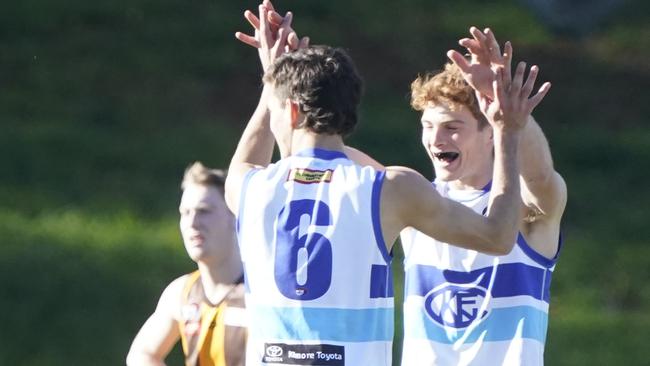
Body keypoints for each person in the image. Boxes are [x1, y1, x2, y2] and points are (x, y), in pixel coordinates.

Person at [227, 3, 540, 365]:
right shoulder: (389, 189)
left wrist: (274, 81)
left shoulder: (249, 186)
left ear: (292, 111)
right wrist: (507, 132)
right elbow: (499, 237)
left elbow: (255, 156)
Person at [399, 27, 566, 365]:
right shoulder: (411, 201)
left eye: (451, 127)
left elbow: (540, 176)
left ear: (490, 132)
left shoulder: (523, 209)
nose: (435, 140)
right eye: (427, 126)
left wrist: (506, 112)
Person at [127, 162, 246, 366]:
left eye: (204, 211)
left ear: (235, 216)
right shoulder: (182, 291)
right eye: (185, 213)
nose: (192, 223)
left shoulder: (262, 290)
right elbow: (142, 354)